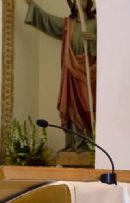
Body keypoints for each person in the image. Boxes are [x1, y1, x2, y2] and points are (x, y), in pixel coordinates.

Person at [24, 0, 96, 151]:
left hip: (89, 73)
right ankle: (73, 144)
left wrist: (94, 40)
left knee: (87, 106)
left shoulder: (96, 23)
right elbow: (48, 21)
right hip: (71, 73)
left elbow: (110, 44)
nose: (79, 3)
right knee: (71, 105)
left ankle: (88, 144)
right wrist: (33, 6)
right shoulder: (67, 24)